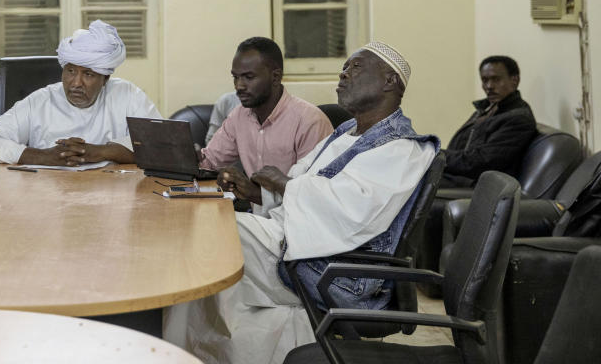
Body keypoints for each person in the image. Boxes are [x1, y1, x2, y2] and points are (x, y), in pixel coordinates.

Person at [164, 42, 439, 364]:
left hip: (333, 271)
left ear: (390, 81)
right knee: (200, 243)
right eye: (344, 69)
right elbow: (304, 182)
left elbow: (351, 211)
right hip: (298, 242)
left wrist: (281, 184)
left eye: (355, 68)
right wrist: (257, 193)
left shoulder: (400, 148)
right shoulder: (348, 132)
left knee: (207, 231)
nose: (343, 75)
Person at [0, 19, 162, 166]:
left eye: (88, 74)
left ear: (105, 79)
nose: (76, 83)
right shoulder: (41, 101)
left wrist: (102, 152)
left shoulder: (127, 95)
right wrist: (43, 156)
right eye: (70, 71)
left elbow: (163, 147)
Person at [200, 37, 333, 180]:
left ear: (275, 77)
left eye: (249, 77)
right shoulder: (239, 116)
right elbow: (210, 162)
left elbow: (312, 190)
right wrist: (189, 158)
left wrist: (254, 193)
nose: (239, 86)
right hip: (253, 202)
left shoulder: (310, 121)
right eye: (235, 77)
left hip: (294, 203)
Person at [441, 55, 537, 187]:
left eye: (496, 79)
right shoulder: (487, 108)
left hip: (476, 186)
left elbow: (480, 162)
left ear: (515, 80)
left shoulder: (518, 118)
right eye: (484, 80)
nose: (489, 86)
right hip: (456, 176)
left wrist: (434, 156)